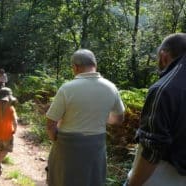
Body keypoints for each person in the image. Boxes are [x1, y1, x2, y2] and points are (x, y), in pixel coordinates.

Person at [46, 49, 125, 186]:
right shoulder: (111, 87)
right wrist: (99, 118)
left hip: (67, 146)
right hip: (96, 146)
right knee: (91, 180)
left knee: (63, 180)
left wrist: (55, 139)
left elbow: (51, 123)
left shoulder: (67, 89)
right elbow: (119, 118)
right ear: (95, 65)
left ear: (75, 67)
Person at [125, 33, 186, 186]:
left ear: (163, 55)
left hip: (160, 177)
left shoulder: (164, 89)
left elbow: (153, 148)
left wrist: (133, 183)